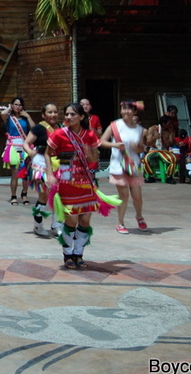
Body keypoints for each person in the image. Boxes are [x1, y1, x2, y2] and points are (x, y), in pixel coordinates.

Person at [44, 103, 114, 269]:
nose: (68, 117)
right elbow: (47, 153)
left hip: (85, 181)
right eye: (66, 114)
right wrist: (49, 173)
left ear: (81, 117)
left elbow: (92, 160)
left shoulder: (89, 134)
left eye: (72, 114)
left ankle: (79, 254)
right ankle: (68, 254)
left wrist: (88, 150)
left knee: (85, 220)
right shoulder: (60, 134)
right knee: (71, 218)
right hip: (67, 181)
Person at [99, 100, 148, 235]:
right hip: (118, 166)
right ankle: (120, 222)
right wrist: (114, 145)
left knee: (137, 196)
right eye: (124, 109)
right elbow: (101, 141)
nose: (126, 111)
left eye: (129, 109)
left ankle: (139, 216)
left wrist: (136, 148)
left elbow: (142, 148)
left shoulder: (140, 130)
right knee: (124, 196)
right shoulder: (115, 126)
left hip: (134, 166)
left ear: (135, 112)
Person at [23, 102, 60, 238]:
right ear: (44, 115)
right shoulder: (39, 128)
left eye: (55, 112)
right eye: (49, 112)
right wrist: (31, 153)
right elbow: (26, 143)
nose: (53, 115)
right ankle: (38, 226)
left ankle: (56, 225)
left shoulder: (61, 128)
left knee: (57, 196)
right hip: (41, 164)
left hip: (56, 164)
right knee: (43, 195)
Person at [1, 97, 34, 205]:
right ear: (12, 105)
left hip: (24, 146)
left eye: (20, 105)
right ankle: (13, 195)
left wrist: (28, 116)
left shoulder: (25, 118)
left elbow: (34, 129)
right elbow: (2, 113)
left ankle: (24, 194)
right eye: (15, 104)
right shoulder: (8, 117)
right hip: (13, 147)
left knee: (25, 173)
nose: (17, 107)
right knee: (14, 173)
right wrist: (9, 108)